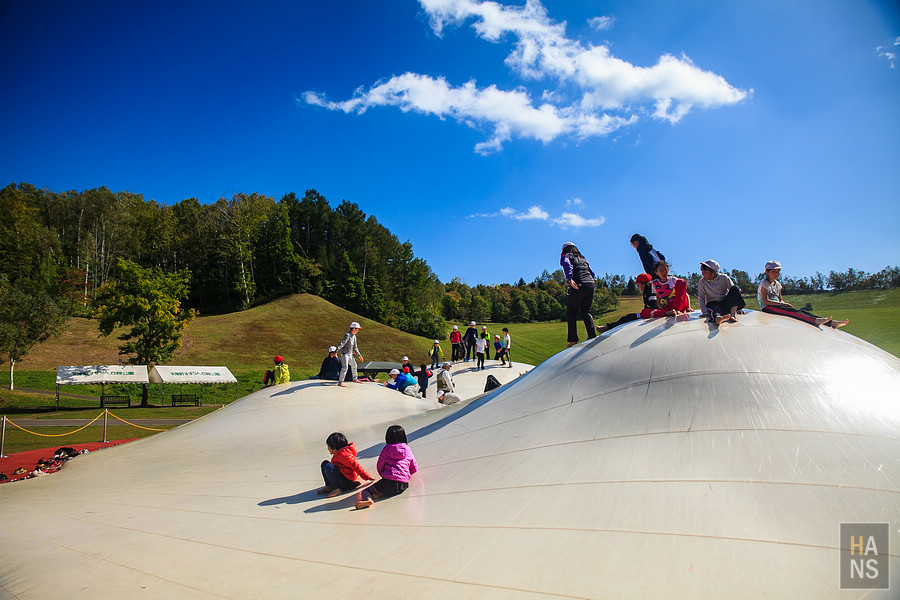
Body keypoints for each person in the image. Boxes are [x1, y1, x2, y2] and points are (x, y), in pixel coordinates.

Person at [758, 260, 849, 328]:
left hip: (777, 306)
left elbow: (780, 299)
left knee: (800, 312)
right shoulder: (764, 284)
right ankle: (815, 321)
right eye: (773, 271)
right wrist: (782, 304)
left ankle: (831, 323)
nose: (776, 274)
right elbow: (766, 301)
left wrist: (785, 304)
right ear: (767, 271)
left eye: (778, 272)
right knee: (795, 314)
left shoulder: (778, 285)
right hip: (768, 308)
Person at [355, 425, 418, 509]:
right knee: (391, 489)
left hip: (387, 482)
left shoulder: (386, 449)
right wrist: (406, 474)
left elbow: (380, 466)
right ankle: (382, 494)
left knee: (365, 491)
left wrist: (384, 475)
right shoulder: (407, 450)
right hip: (403, 485)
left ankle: (368, 500)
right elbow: (414, 468)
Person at [596, 273, 682, 333]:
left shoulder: (650, 290)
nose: (638, 287)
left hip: (653, 312)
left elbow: (654, 305)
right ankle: (608, 327)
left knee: (628, 317)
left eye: (638, 285)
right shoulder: (647, 290)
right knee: (629, 316)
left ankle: (608, 327)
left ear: (643, 283)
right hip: (652, 312)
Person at [560, 242, 597, 347]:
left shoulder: (566, 256)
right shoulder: (583, 259)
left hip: (578, 285)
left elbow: (567, 264)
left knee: (571, 313)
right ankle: (592, 336)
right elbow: (592, 273)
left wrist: (569, 278)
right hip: (590, 284)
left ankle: (573, 340)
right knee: (586, 311)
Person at [319, 432, 374, 498]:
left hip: (348, 483)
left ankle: (337, 489)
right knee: (324, 464)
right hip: (344, 477)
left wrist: (367, 477)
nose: (328, 448)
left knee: (328, 466)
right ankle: (329, 486)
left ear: (335, 447)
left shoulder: (344, 455)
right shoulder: (340, 453)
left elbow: (355, 465)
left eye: (329, 446)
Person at [697, 259, 747, 326]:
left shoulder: (723, 277)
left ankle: (733, 314)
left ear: (713, 272)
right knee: (714, 309)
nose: (702, 272)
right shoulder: (702, 282)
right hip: (713, 303)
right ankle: (718, 318)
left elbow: (734, 292)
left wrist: (738, 308)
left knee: (735, 288)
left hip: (725, 302)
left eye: (705, 269)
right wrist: (705, 312)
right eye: (701, 269)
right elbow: (701, 298)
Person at [335, 322, 364, 387]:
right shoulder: (347, 335)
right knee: (345, 367)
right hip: (345, 354)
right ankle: (340, 382)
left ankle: (355, 379)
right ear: (353, 329)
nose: (358, 330)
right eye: (357, 329)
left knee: (354, 365)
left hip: (350, 354)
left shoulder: (354, 337)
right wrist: (337, 349)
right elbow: (342, 343)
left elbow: (355, 347)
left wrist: (359, 355)